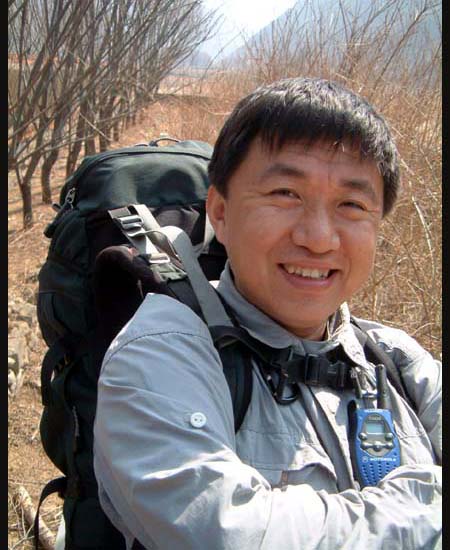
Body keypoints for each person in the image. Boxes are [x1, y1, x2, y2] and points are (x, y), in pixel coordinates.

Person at [93, 78, 441, 549]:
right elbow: (227, 533)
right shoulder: (159, 354)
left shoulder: (398, 362)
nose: (318, 238)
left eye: (352, 204)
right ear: (220, 212)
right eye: (285, 194)